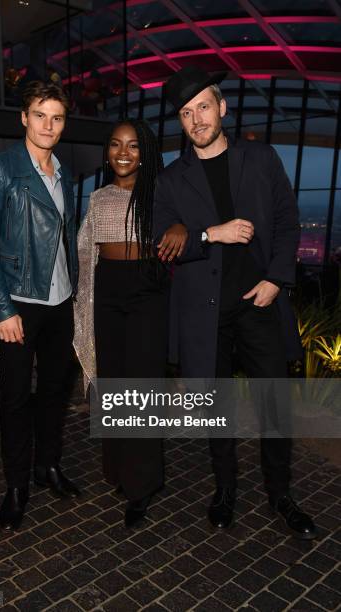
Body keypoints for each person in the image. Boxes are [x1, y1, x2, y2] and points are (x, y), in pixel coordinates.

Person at [153, 66, 316, 539]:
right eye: (186, 113)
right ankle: (225, 491)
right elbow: (165, 243)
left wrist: (276, 280)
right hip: (205, 314)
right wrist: (209, 234)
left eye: (203, 106)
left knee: (274, 407)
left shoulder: (262, 159)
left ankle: (281, 494)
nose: (196, 119)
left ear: (222, 108)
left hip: (259, 304)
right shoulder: (170, 180)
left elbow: (287, 223)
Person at [0, 81, 80, 532]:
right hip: (18, 303)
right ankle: (16, 486)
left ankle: (47, 466)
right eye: (40, 115)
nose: (48, 125)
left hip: (60, 301)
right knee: (15, 399)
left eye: (56, 117)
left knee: (55, 392)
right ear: (24, 117)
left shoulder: (64, 172)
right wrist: (1, 309)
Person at [74, 119, 169, 527]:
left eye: (132, 145)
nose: (123, 152)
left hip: (147, 289)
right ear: (107, 151)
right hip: (107, 291)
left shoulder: (162, 195)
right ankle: (117, 469)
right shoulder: (97, 198)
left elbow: (182, 228)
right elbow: (85, 253)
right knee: (113, 381)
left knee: (142, 385)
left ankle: (142, 486)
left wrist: (181, 225)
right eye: (115, 144)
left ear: (145, 152)